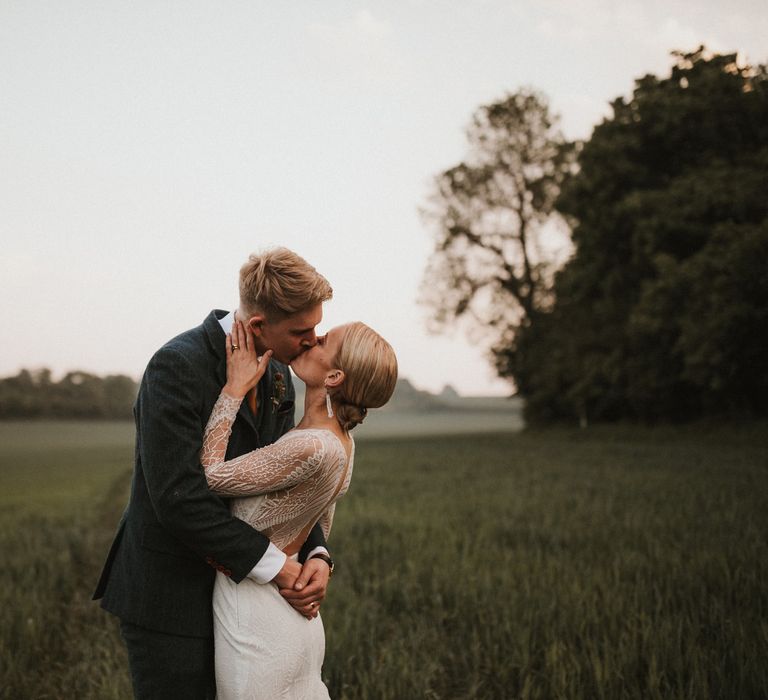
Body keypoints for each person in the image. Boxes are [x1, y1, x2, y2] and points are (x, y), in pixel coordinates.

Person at [93, 248, 334, 699]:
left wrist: (317, 556)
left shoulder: (280, 372)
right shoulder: (177, 365)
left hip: (246, 599)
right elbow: (177, 498)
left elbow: (288, 483)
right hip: (172, 598)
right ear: (259, 326)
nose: (313, 340)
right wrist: (277, 568)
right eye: (301, 331)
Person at [199, 318, 398, 698]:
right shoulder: (342, 443)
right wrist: (320, 556)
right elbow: (321, 513)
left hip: (256, 610)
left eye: (323, 341)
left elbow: (209, 477)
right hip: (296, 615)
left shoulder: (309, 445)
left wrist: (233, 389)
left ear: (335, 375)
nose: (311, 341)